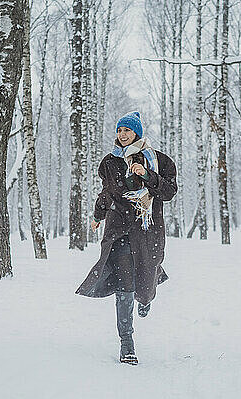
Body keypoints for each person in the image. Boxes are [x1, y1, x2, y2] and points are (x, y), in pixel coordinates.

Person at [75, 111, 178, 365]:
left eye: (127, 131)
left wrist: (146, 175)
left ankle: (147, 297)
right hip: (119, 228)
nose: (122, 135)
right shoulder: (110, 161)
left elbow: (169, 192)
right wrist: (98, 214)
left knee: (146, 277)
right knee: (124, 283)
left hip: (147, 229)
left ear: (137, 133)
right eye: (119, 130)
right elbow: (107, 191)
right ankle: (127, 343)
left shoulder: (159, 160)